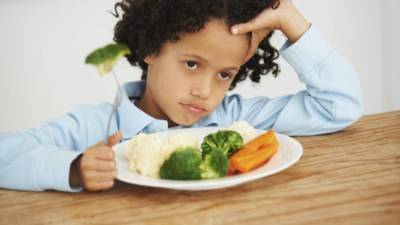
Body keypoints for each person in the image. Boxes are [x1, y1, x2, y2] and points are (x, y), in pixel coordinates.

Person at [0, 0, 363, 192]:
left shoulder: (236, 123)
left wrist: (290, 21)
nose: (204, 91)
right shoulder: (98, 124)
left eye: (224, 74)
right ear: (150, 48)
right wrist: (74, 170)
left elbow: (338, 106)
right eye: (192, 64)